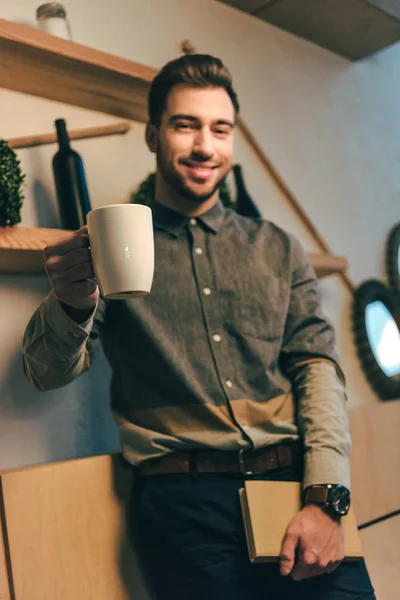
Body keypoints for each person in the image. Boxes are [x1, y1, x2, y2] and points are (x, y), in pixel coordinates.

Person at [23, 54, 375, 600]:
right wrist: (70, 304)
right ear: (152, 134)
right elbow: (46, 375)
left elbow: (318, 369)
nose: (205, 146)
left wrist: (325, 496)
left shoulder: (278, 248)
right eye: (185, 125)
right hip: (178, 506)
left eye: (220, 128)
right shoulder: (107, 249)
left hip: (295, 487)